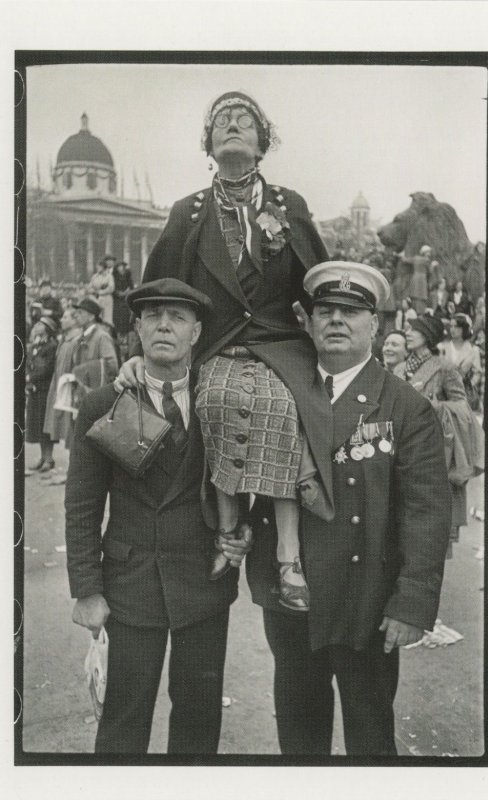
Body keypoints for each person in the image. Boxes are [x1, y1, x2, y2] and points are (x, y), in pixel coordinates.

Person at [120, 90, 329, 610]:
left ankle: (289, 556)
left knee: (285, 408)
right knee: (211, 403)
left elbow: (321, 290)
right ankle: (228, 534)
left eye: (244, 121)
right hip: (215, 347)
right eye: (221, 123)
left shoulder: (289, 205)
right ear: (209, 145)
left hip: (282, 346)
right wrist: (139, 355)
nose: (232, 126)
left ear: (263, 143)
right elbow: (156, 292)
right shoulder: (187, 213)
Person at [246, 261, 451, 756]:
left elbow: (426, 514)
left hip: (368, 602)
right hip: (292, 598)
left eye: (352, 312)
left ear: (375, 325)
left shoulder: (405, 406)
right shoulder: (279, 390)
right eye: (326, 310)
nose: (337, 320)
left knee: (371, 735)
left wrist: (411, 604)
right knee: (298, 735)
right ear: (310, 321)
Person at [65, 278, 252, 754]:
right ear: (139, 329)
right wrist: (87, 590)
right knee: (124, 721)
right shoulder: (104, 404)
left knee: (197, 717)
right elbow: (82, 506)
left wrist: (242, 529)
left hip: (203, 582)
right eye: (153, 316)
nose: (164, 325)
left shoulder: (223, 400)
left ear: (196, 332)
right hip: (130, 583)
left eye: (178, 317)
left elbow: (246, 477)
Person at [395, 315, 484, 557]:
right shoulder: (400, 368)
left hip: (433, 453)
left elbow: (464, 409)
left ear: (428, 336)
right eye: (407, 330)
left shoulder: (444, 368)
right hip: (401, 453)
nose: (408, 334)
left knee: (432, 531)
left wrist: (437, 407)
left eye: (414, 330)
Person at [43, 307, 82, 454]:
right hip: (58, 384)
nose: (62, 320)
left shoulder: (78, 340)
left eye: (66, 317)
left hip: (69, 387)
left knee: (72, 429)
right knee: (62, 427)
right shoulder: (64, 340)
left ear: (75, 320)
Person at [71, 297, 119, 410]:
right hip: (81, 396)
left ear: (91, 317)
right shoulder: (80, 338)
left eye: (80, 312)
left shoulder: (102, 337)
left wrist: (86, 370)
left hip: (96, 398)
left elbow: (112, 366)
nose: (75, 315)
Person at [25, 317, 59, 472]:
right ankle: (42, 457)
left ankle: (49, 458)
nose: (36, 326)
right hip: (35, 389)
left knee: (45, 425)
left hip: (45, 390)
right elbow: (29, 364)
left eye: (40, 324)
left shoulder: (51, 346)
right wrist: (28, 378)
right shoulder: (35, 344)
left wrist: (30, 377)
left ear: (47, 328)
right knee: (37, 424)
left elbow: (47, 368)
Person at [444, 313, 482, 411]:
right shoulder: (444, 348)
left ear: (464, 328)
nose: (452, 329)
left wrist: (470, 384)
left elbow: (477, 373)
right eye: (451, 326)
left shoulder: (473, 350)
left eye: (456, 326)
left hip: (465, 394)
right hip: (446, 393)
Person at [112, 260, 134, 360]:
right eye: (119, 266)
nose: (121, 268)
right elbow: (114, 290)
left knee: (125, 321)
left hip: (125, 303)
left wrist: (126, 293)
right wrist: (121, 293)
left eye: (123, 266)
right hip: (117, 303)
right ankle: (119, 342)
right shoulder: (114, 277)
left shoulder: (128, 276)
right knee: (118, 322)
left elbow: (131, 288)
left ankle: (125, 346)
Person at [89, 256, 115, 326]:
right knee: (98, 317)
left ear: (103, 267)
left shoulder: (109, 276)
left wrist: (100, 292)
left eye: (99, 267)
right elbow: (90, 287)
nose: (97, 268)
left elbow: (111, 288)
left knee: (107, 319)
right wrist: (93, 291)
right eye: (97, 267)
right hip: (96, 299)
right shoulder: (95, 276)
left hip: (107, 299)